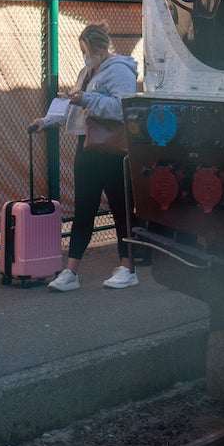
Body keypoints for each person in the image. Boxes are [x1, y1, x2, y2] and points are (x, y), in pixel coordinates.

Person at [31, 23, 140, 291]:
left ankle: (128, 267)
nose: (85, 56)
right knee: (84, 209)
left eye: (87, 51)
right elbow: (71, 104)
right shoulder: (86, 72)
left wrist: (88, 100)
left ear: (101, 48)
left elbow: (121, 107)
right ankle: (71, 272)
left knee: (120, 208)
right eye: (83, 51)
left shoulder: (120, 71)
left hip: (113, 149)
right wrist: (47, 121)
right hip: (87, 146)